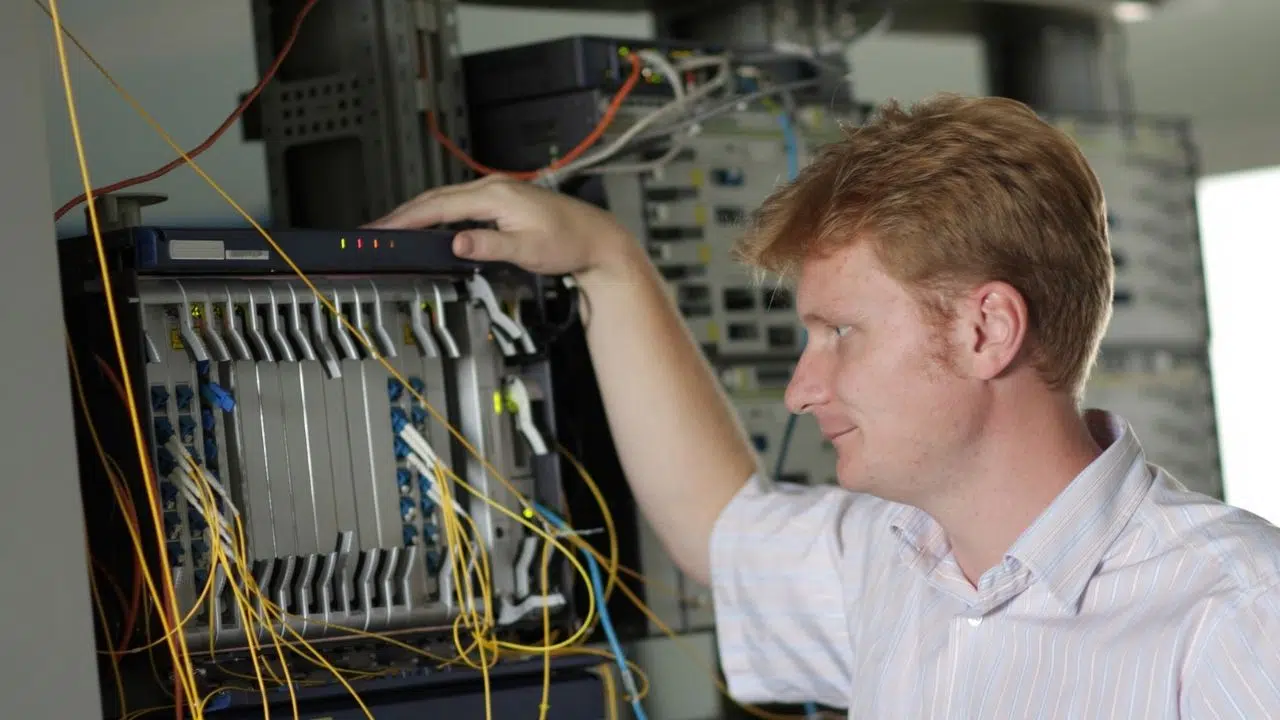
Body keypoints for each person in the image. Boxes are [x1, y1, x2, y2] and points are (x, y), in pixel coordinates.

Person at [369, 93, 1280, 717]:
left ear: (984, 331)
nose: (803, 390)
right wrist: (606, 260)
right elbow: (718, 526)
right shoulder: (897, 562)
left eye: (841, 332)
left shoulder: (1235, 613)